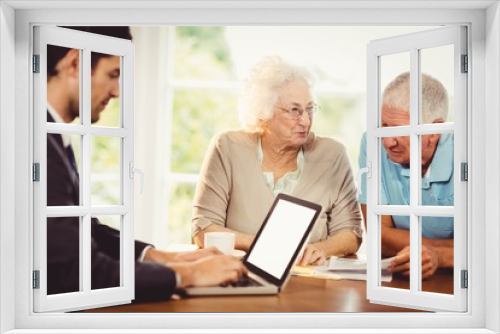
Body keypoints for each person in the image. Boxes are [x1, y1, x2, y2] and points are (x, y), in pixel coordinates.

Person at [46, 26, 245, 302]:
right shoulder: (40, 146)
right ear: (75, 63)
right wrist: (188, 275)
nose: (117, 91)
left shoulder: (51, 137)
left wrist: (162, 257)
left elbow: (84, 232)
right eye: (113, 74)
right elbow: (77, 272)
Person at [192, 56, 363, 266]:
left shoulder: (333, 154)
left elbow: (351, 234)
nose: (306, 121)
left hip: (310, 283)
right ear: (263, 112)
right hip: (240, 276)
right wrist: (263, 245)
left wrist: (319, 250)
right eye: (294, 111)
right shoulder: (227, 147)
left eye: (310, 109)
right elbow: (203, 229)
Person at [358, 72, 454, 279]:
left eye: (401, 131)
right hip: (399, 275)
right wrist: (454, 250)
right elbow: (379, 236)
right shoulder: (372, 144)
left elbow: (487, 246)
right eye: (384, 126)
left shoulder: (474, 156)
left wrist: (441, 255)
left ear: (435, 130)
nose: (387, 143)